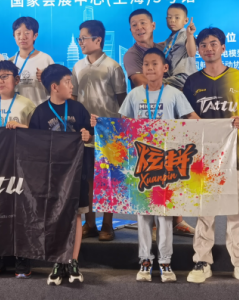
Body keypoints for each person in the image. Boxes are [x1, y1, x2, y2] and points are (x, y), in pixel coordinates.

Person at [182, 27, 239, 287]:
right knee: (205, 212)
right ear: (198, 49)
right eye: (203, 45)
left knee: (237, 212)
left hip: (234, 155)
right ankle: (202, 261)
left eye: (213, 43)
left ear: (223, 47)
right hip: (203, 158)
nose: (208, 49)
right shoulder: (192, 82)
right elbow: (186, 119)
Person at [119, 48, 198, 284]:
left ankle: (165, 261)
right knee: (143, 214)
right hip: (142, 163)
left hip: (166, 164)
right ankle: (145, 260)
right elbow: (123, 123)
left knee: (164, 215)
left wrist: (224, 125)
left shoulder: (174, 94)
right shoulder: (134, 94)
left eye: (155, 64)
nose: (150, 68)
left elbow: (192, 119)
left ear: (165, 68)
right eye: (146, 64)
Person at [31, 64, 93, 286]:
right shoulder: (40, 113)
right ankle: (58, 260)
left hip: (76, 173)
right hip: (52, 176)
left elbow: (90, 134)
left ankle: (73, 261)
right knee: (54, 217)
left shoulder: (78, 108)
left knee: (75, 216)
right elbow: (33, 145)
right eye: (67, 82)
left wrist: (87, 134)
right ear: (54, 87)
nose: (71, 85)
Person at [72, 20, 127, 242]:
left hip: (109, 132)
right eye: (79, 39)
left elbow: (123, 101)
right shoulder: (77, 66)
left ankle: (107, 224)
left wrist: (121, 130)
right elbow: (73, 99)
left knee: (107, 180)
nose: (80, 42)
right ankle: (90, 223)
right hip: (85, 130)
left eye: (83, 38)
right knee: (87, 179)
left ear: (98, 40)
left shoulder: (113, 67)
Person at [0, 60, 35, 279]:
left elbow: (37, 135)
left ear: (16, 79)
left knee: (21, 212)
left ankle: (23, 258)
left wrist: (22, 128)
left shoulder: (26, 105)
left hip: (20, 165)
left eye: (5, 76)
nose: (0, 81)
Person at [11, 16, 55, 106]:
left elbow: (57, 87)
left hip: (41, 109)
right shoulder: (10, 62)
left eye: (27, 33)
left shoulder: (46, 59)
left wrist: (46, 78)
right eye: (18, 33)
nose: (22, 37)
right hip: (17, 110)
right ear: (14, 36)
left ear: (35, 36)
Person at [161, 3, 198, 90]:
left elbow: (192, 53)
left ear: (186, 20)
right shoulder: (169, 39)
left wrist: (190, 35)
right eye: (169, 17)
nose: (172, 20)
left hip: (184, 76)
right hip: (173, 76)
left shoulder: (186, 34)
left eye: (177, 17)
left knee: (155, 84)